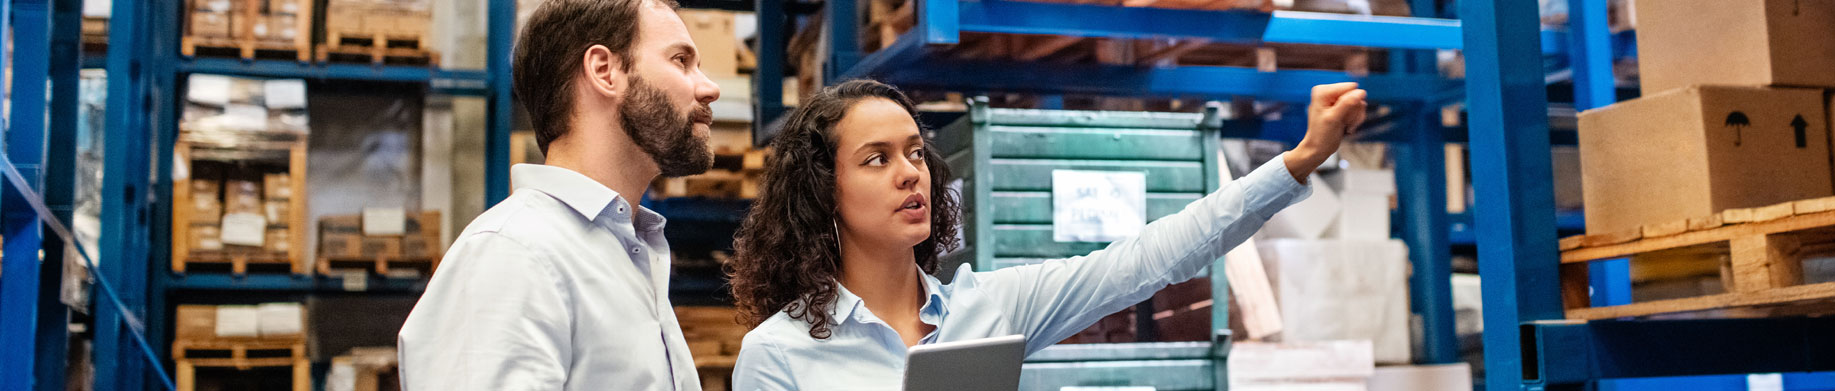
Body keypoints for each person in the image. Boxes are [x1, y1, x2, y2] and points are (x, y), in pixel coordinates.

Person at [726, 79, 1367, 388]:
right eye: (876, 159)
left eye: (915, 153)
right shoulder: (777, 355)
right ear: (821, 190)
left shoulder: (993, 308)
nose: (908, 174)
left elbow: (1151, 257)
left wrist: (1300, 160)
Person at [396, 0, 721, 388]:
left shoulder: (626, 253)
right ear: (604, 71)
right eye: (681, 61)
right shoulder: (513, 254)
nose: (709, 88)